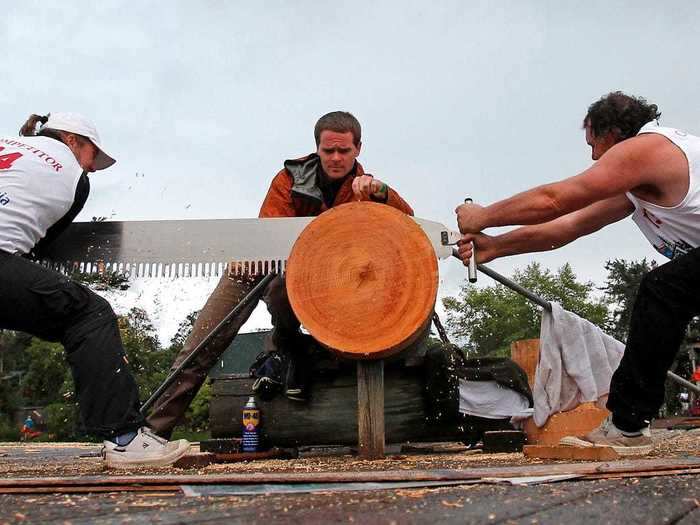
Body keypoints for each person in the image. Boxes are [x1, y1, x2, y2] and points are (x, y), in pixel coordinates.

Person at [456, 91, 700, 455]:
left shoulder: (648, 149)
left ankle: (627, 425)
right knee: (673, 286)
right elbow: (567, 227)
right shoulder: (637, 186)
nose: (593, 157)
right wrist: (497, 246)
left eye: (594, 144)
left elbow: (557, 199)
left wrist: (486, 215)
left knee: (662, 289)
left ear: (613, 134)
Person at [147, 111, 414, 439]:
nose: (335, 158)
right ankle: (152, 430)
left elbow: (410, 227)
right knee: (206, 336)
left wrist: (382, 192)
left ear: (358, 148)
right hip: (271, 271)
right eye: (328, 150)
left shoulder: (368, 189)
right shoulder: (288, 180)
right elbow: (270, 239)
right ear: (317, 148)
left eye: (343, 151)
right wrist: (262, 257)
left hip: (328, 287)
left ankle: (288, 346)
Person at [0, 112, 190, 467]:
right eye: (91, 158)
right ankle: (126, 439)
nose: (91, 169)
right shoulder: (73, 178)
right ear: (72, 141)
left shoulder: (10, 146)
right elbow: (42, 246)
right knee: (89, 314)